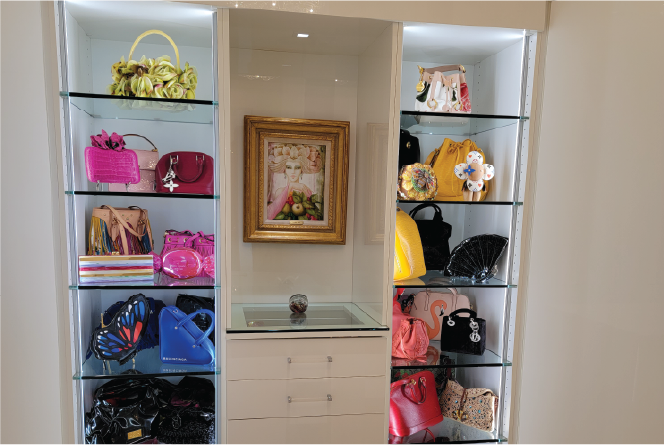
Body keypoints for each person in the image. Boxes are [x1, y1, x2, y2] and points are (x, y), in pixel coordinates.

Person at [266, 143, 323, 220]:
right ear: (285, 170)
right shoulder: (280, 192)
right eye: (289, 167)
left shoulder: (306, 191)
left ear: (301, 170)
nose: (293, 172)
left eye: (297, 167)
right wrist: (291, 186)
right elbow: (270, 215)